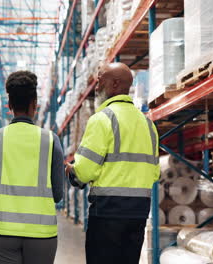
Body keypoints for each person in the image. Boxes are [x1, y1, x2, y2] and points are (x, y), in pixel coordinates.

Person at [66, 62, 160, 264]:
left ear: (115, 84)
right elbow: (154, 173)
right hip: (139, 213)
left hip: (108, 212)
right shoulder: (148, 124)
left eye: (101, 81)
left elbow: (84, 171)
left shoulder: (102, 119)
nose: (97, 87)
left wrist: (72, 171)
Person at [0, 71, 65, 264]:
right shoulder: (51, 140)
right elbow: (58, 194)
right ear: (35, 104)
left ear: (9, 106)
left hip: (0, 232)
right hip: (41, 234)